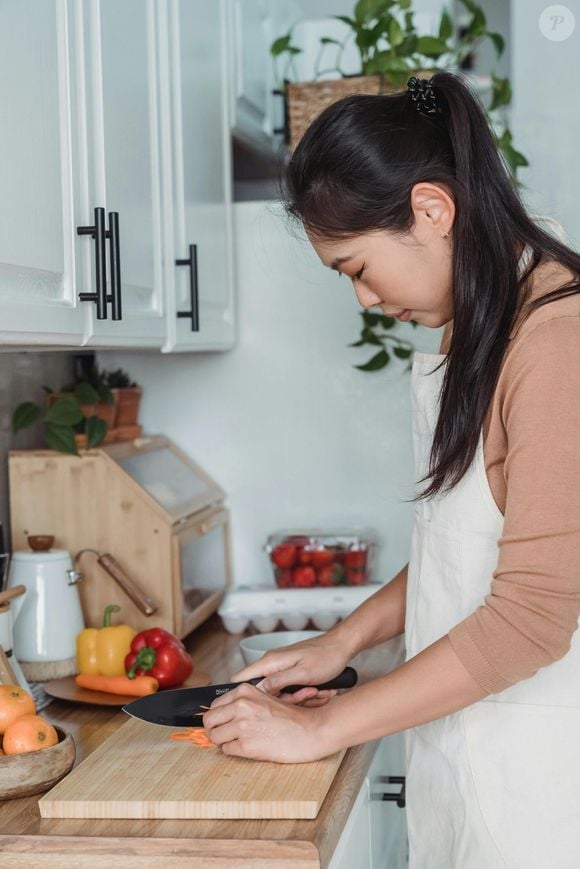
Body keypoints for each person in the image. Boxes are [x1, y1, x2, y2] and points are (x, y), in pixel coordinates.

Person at [203, 72, 580, 868]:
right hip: (473, 755)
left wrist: (320, 726)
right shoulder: (483, 320)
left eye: (355, 267)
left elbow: (533, 613)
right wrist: (339, 642)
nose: (366, 300)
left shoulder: (556, 343)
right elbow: (464, 539)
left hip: (543, 793)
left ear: (432, 210)